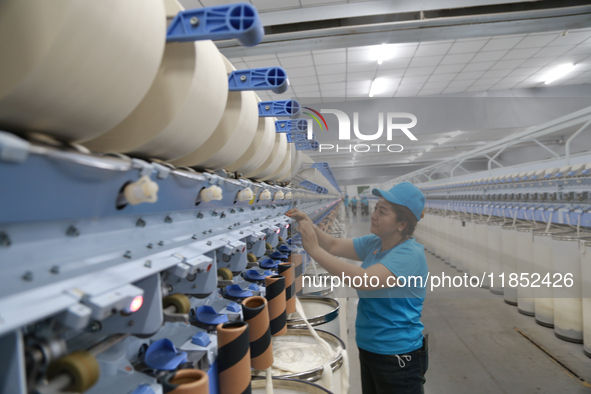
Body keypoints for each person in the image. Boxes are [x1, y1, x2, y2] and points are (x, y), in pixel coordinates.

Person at [288, 182, 428, 394]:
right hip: (370, 348)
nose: (374, 215)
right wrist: (308, 223)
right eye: (376, 208)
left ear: (402, 224)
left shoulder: (410, 255)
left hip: (397, 355)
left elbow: (364, 280)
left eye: (382, 212)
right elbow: (333, 245)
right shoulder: (375, 243)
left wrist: (314, 251)